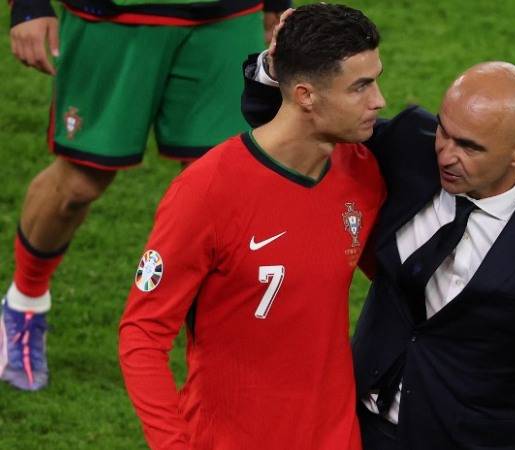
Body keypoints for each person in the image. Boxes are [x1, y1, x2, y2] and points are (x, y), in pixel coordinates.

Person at [242, 30, 515, 450]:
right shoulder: (411, 149)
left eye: (469, 147)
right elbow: (291, 128)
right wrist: (277, 67)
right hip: (351, 426)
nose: (446, 154)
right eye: (444, 131)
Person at [117, 4, 386, 449]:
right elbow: (142, 335)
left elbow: (396, 281)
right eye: (360, 86)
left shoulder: (363, 173)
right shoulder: (207, 192)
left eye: (375, 80)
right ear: (305, 95)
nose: (379, 100)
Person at [0, 0, 290, 391]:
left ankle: (224, 347)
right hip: (112, 18)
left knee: (226, 185)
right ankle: (24, 305)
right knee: (78, 185)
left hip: (227, 18)